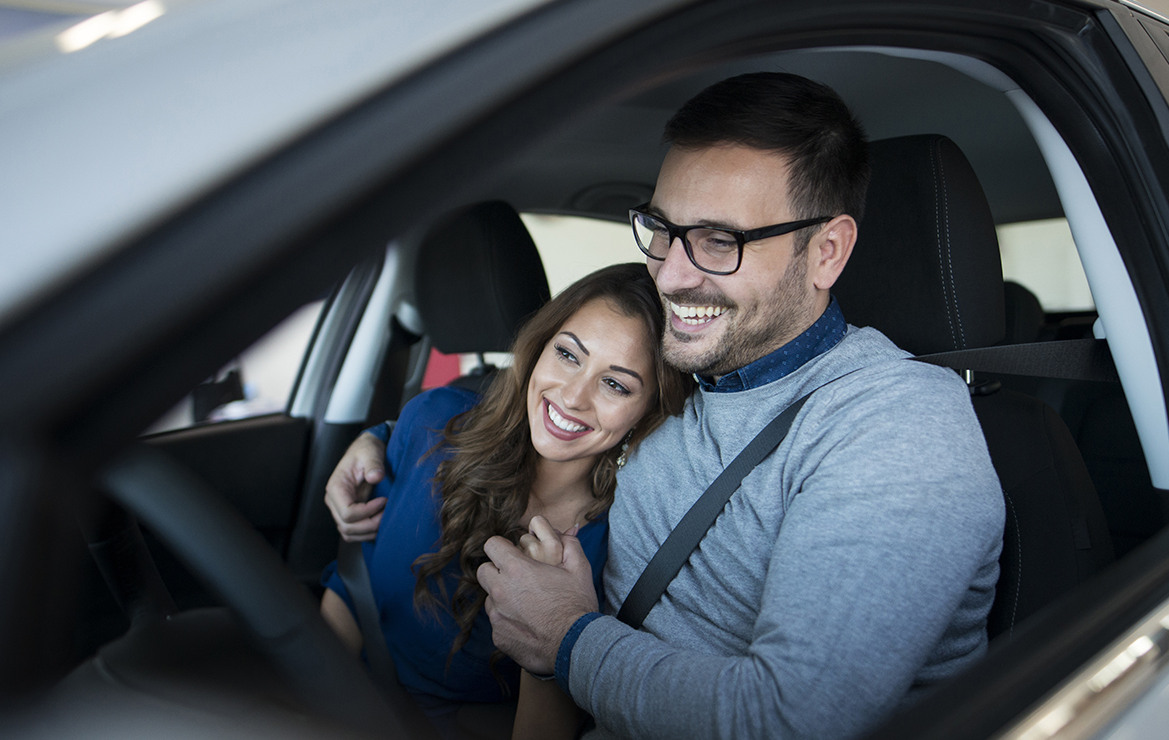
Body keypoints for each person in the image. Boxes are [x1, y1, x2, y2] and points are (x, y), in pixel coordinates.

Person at [329, 73, 1005, 740]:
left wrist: (566, 639)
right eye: (661, 228)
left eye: (720, 241)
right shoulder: (689, 387)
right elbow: (529, 405)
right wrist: (386, 438)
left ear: (826, 252)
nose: (672, 274)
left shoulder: (897, 426)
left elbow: (793, 723)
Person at [319, 263, 692, 740]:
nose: (573, 396)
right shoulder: (432, 422)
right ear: (540, 348)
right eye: (568, 354)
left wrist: (557, 637)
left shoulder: (615, 551)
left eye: (616, 384)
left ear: (648, 411)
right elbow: (352, 589)